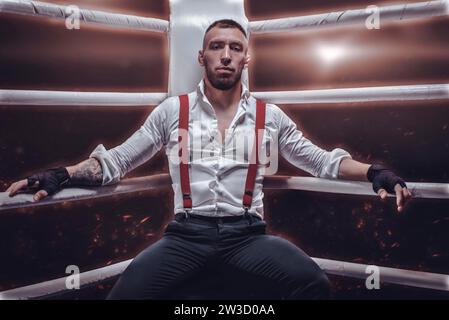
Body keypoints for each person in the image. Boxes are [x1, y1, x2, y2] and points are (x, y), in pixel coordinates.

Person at [6, 19, 412, 299]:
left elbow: (323, 162)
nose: (225, 55)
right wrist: (57, 176)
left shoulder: (270, 116)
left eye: (235, 48)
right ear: (201, 56)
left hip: (247, 235)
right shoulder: (172, 111)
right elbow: (114, 162)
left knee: (314, 285)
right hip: (186, 235)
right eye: (216, 46)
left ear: (246, 60)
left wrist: (377, 173)